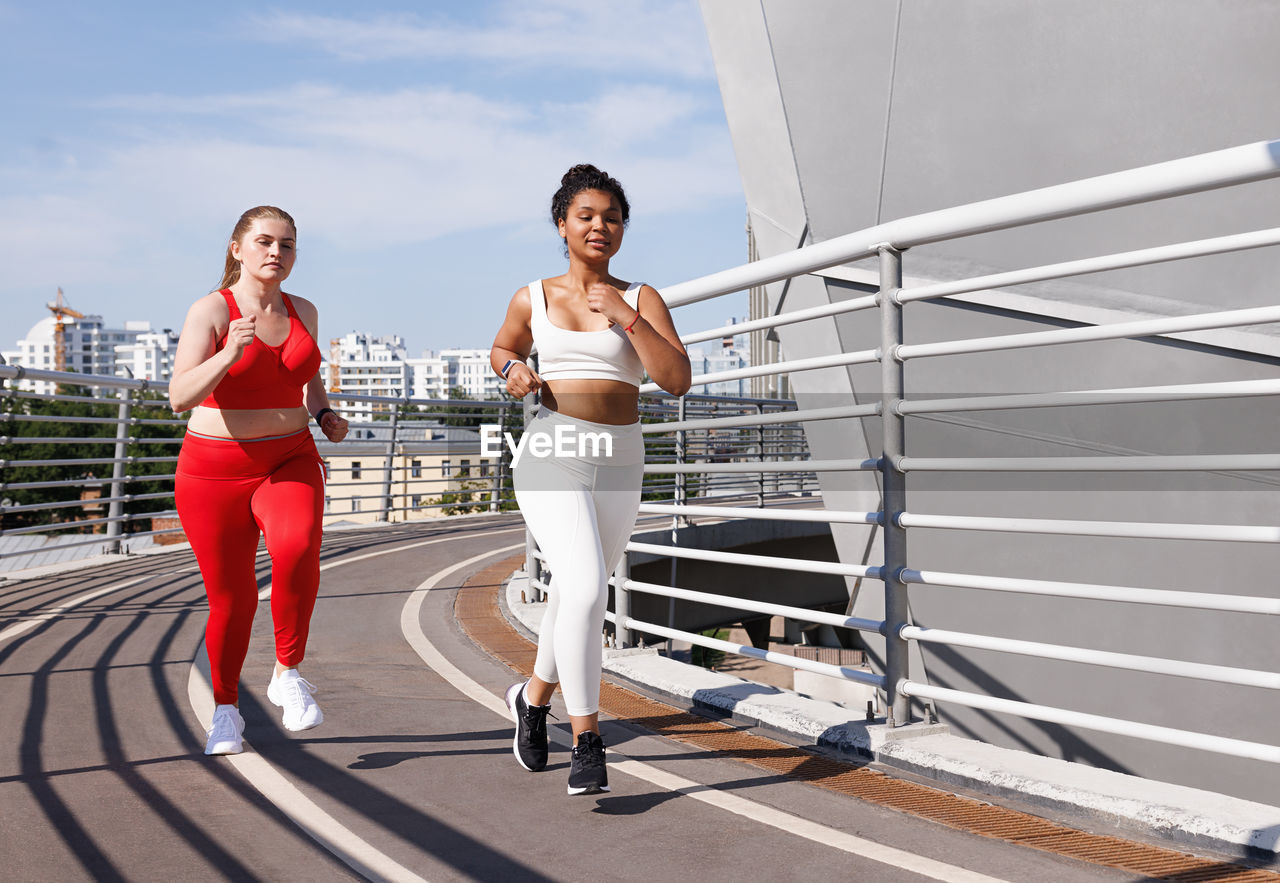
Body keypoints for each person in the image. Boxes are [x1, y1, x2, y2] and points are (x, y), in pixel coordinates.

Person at [490, 165, 692, 794]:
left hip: (620, 460)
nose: (599, 226)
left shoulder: (640, 298)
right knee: (583, 590)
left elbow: (678, 379)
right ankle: (587, 740)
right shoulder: (533, 296)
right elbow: (501, 349)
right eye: (586, 216)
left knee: (577, 594)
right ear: (563, 225)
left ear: (623, 229)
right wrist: (512, 372)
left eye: (611, 216)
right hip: (553, 450)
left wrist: (625, 318)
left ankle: (533, 697)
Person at [169, 205, 349, 756]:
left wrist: (324, 414)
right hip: (213, 470)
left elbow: (307, 376)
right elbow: (180, 397)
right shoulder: (211, 311)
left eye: (288, 245)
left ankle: (287, 673)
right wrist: (229, 353)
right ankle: (225, 711)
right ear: (237, 248)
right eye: (266, 242)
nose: (277, 252)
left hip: (288, 457)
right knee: (233, 598)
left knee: (296, 551)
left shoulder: (304, 311)